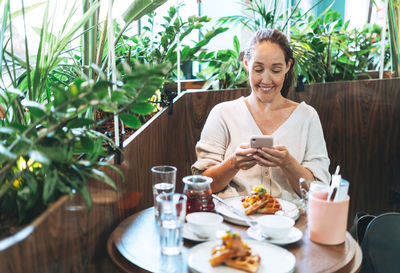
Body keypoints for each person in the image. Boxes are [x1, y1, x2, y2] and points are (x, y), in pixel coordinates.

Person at [191, 28, 330, 203]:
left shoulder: (307, 117)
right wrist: (233, 163)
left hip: (292, 225)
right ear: (246, 64)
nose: (266, 80)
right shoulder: (222, 114)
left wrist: (288, 163)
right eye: (258, 69)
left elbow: (319, 193)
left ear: (288, 66)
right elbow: (201, 186)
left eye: (276, 70)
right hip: (233, 222)